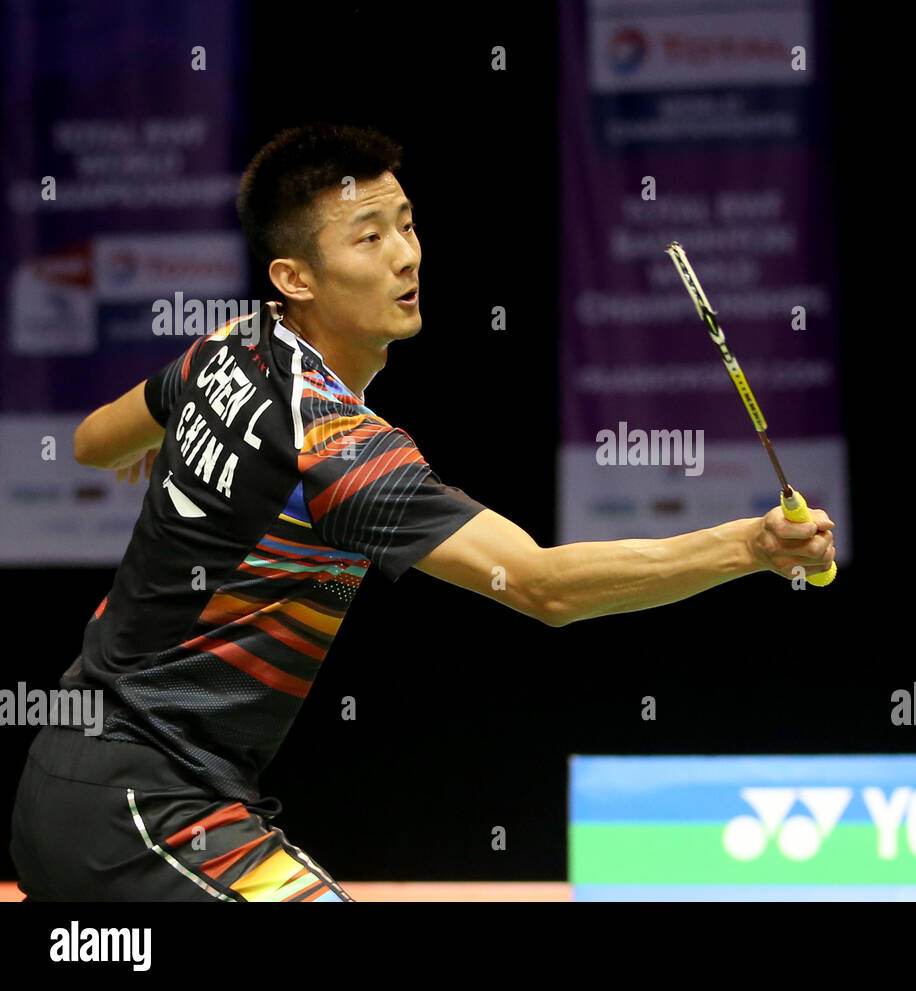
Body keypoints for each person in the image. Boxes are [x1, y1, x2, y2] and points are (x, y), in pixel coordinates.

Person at [8, 123, 835, 902]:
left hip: (73, 777)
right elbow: (543, 586)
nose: (406, 255)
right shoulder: (337, 447)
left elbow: (88, 443)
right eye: (369, 237)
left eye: (406, 224)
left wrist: (172, 439)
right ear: (295, 278)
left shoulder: (226, 346)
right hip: (147, 806)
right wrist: (751, 544)